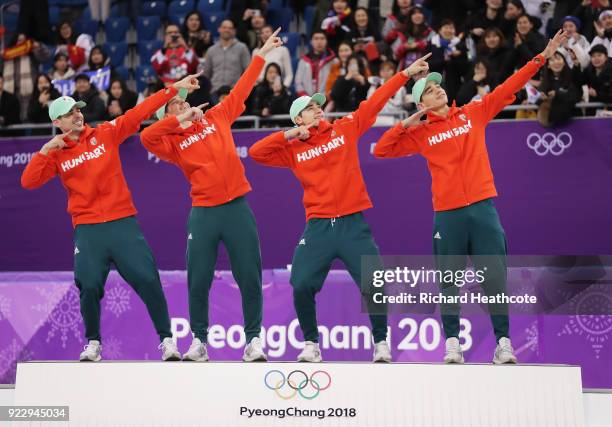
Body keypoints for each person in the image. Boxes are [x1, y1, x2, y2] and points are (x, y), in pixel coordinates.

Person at [374, 29, 569, 365]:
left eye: (438, 87)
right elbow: (381, 149)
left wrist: (541, 57)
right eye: (430, 91)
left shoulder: (472, 112)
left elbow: (510, 85)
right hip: (447, 214)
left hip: (482, 208)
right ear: (422, 103)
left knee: (493, 277)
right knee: (448, 281)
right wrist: (409, 121)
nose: (438, 90)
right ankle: (452, 343)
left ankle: (503, 342)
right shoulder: (420, 134)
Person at [248, 52, 433, 364]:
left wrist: (404, 75)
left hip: (352, 225)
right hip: (318, 226)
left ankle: (380, 343)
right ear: (298, 119)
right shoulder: (292, 150)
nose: (318, 110)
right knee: (301, 284)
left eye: (319, 105)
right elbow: (255, 153)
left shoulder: (344, 128)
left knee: (374, 283)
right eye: (310, 108)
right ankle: (311, 344)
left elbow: (372, 105)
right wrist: (291, 134)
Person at [20, 72, 202, 362]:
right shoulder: (55, 155)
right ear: (57, 122)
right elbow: (28, 182)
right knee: (89, 284)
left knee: (148, 279)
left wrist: (173, 90)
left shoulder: (105, 133)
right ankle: (93, 343)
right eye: (69, 113)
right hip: (89, 229)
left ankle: (167, 340)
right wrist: (44, 151)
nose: (77, 115)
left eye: (78, 109)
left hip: (122, 224)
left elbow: (138, 112)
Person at [140, 29, 284, 363]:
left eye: (182, 102)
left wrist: (260, 54)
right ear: (168, 117)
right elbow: (147, 136)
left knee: (249, 275)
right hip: (204, 212)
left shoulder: (218, 116)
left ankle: (253, 341)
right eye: (172, 106)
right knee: (199, 278)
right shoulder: (171, 143)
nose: (181, 105)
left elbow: (242, 88)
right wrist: (176, 111)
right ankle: (199, 341)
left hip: (236, 208)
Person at [203, 20, 251, 96]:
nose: (227, 30)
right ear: (219, 29)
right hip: (215, 92)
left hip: (235, 92)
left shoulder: (242, 48)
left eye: (230, 28)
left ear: (234, 31)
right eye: (224, 27)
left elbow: (248, 71)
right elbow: (206, 74)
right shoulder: (211, 50)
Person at [428, 19, 468, 102]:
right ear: (440, 30)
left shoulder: (460, 45)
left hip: (455, 85)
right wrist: (443, 60)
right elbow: (428, 64)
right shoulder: (432, 43)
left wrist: (457, 57)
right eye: (446, 27)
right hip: (435, 83)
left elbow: (465, 68)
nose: (449, 30)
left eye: (451, 28)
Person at [537, 50, 580, 127]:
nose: (556, 62)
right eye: (552, 60)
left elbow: (575, 96)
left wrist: (557, 94)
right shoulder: (545, 82)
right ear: (548, 65)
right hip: (551, 123)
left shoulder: (571, 77)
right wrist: (540, 98)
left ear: (564, 62)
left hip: (573, 122)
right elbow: (538, 101)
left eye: (558, 59)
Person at [295, 31, 338, 96]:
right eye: (316, 38)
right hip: (307, 102)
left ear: (326, 41)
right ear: (311, 42)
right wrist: (306, 99)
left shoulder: (334, 61)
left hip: (327, 100)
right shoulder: (303, 60)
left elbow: (336, 82)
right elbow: (298, 82)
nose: (319, 42)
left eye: (322, 38)